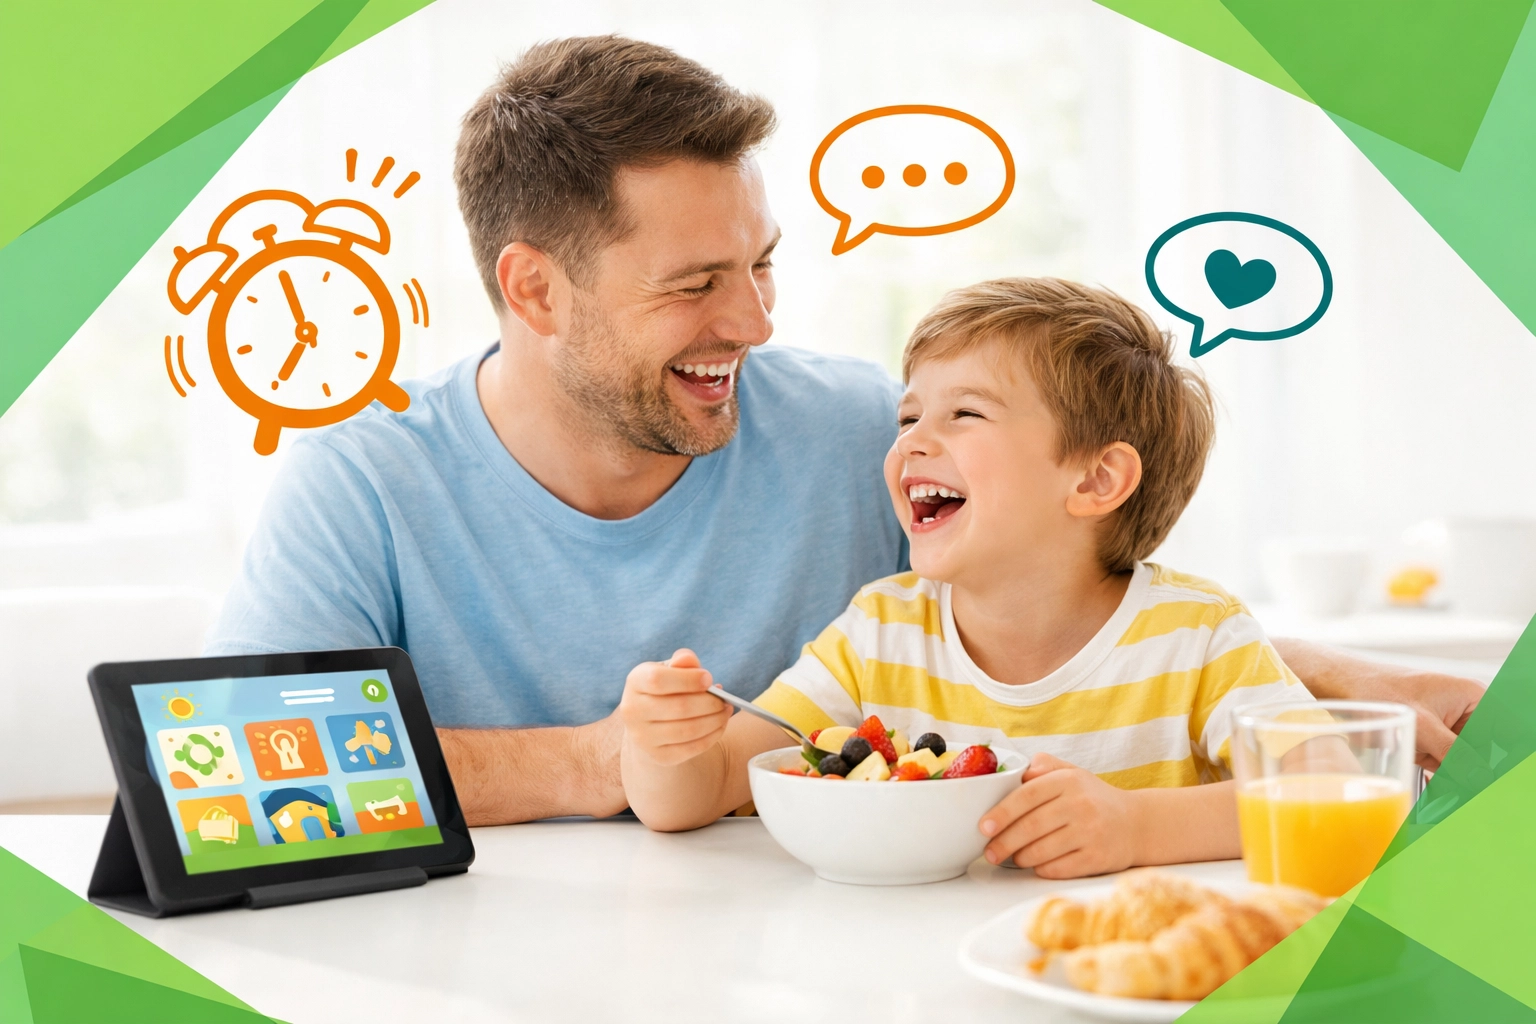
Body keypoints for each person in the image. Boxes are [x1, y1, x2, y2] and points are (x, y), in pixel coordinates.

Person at [206, 36, 1483, 826]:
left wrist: (1346, 683)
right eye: (696, 282)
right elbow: (250, 780)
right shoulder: (357, 481)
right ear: (536, 288)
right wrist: (605, 761)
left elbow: (1067, 595)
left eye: (763, 264)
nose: (754, 322)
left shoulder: (854, 429)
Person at [619, 278, 1335, 875]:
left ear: (1096, 478)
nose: (912, 442)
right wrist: (660, 749)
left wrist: (1139, 827)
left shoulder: (1196, 635)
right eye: (908, 416)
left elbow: (1341, 790)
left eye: (964, 413)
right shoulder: (881, 629)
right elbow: (701, 791)